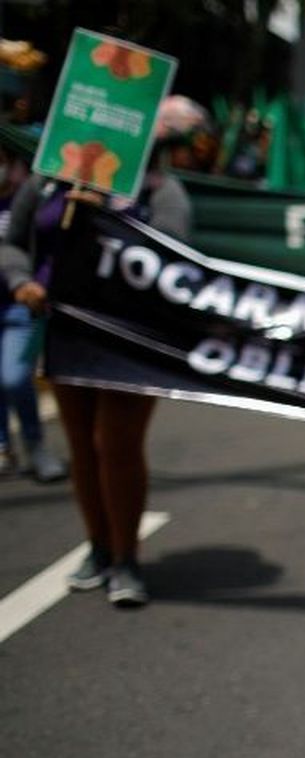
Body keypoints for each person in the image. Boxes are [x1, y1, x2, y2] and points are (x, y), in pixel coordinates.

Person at [0, 150, 192, 606]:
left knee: (117, 444)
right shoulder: (45, 184)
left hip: (128, 337)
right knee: (83, 446)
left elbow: (174, 251)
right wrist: (20, 281)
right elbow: (14, 242)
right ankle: (99, 547)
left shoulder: (156, 189)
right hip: (67, 330)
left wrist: (103, 218)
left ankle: (127, 558)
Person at [0, 142, 66, 482]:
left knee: (12, 377)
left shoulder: (32, 195)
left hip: (18, 305)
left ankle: (35, 445)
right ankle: (4, 448)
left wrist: (23, 282)